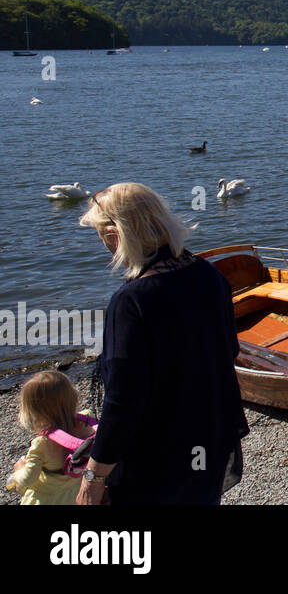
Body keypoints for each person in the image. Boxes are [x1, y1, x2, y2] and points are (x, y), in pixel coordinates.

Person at [77, 183, 247, 505]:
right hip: (207, 439)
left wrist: (93, 478)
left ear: (116, 234)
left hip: (157, 461)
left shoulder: (131, 301)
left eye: (100, 232)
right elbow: (228, 352)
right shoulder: (210, 276)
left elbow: (122, 402)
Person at [6, 371, 96, 505]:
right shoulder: (88, 421)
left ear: (34, 412)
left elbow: (28, 479)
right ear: (73, 396)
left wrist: (17, 473)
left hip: (48, 499)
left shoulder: (42, 443)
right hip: (76, 494)